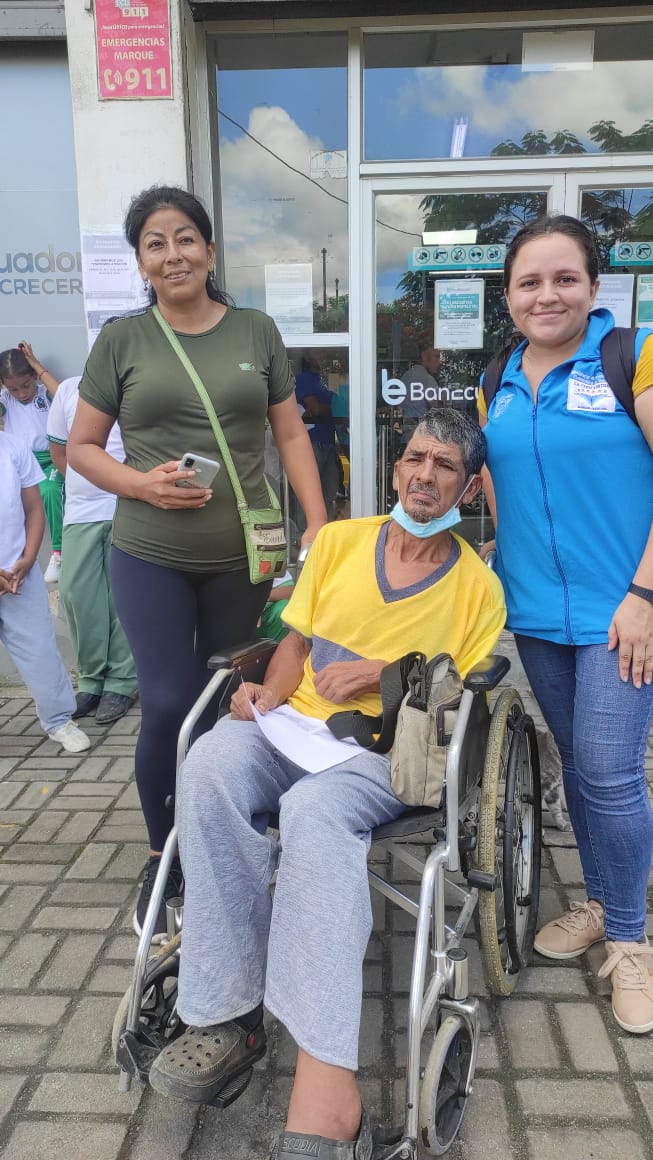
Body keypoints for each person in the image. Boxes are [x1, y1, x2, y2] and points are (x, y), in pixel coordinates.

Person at [147, 408, 506, 1158]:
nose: (425, 475)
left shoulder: (478, 589)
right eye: (415, 458)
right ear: (395, 467)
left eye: (445, 466)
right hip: (295, 727)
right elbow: (294, 642)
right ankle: (229, 1013)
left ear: (469, 487)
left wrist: (385, 674)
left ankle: (326, 1091)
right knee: (209, 764)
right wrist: (266, 696)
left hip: (385, 755)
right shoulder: (340, 542)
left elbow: (459, 701)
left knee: (312, 812)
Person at [67, 184, 326, 939]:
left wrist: (318, 521)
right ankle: (164, 853)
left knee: (226, 701)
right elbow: (80, 447)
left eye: (185, 238)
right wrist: (139, 483)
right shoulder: (122, 341)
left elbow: (289, 435)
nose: (172, 254)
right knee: (168, 700)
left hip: (240, 556)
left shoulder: (255, 330)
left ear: (209, 251)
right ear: (140, 261)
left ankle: (222, 828)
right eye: (155, 243)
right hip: (147, 552)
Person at [478, 214, 653, 1035]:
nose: (545, 295)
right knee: (580, 768)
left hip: (623, 611)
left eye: (563, 278)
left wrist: (644, 594)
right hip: (537, 615)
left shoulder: (632, 355)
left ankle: (630, 941)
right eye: (528, 282)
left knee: (612, 773)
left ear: (592, 285)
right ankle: (601, 901)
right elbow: (498, 482)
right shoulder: (497, 377)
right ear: (508, 295)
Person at [46, 376, 138, 725]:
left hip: (127, 506)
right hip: (80, 511)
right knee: (76, 593)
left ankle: (121, 682)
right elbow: (59, 452)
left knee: (123, 597)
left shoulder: (136, 386)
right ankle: (91, 680)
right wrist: (92, 479)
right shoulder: (68, 390)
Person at [0, 431, 90, 754]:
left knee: (40, 652)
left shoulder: (13, 446)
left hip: (18, 577)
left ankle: (59, 720)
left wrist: (27, 560)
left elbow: (34, 509)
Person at [0, 342, 64, 583]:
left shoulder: (44, 394)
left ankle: (58, 553)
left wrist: (37, 366)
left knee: (49, 491)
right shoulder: (6, 399)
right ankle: (17, 555)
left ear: (34, 377)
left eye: (26, 385)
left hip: (50, 458)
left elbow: (64, 396)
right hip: (21, 463)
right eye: (13, 389)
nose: (21, 393)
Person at [294, 353, 340, 523]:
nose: (323, 355)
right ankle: (303, 533)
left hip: (327, 442)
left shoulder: (319, 381)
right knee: (309, 492)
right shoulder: (304, 379)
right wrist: (339, 405)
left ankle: (325, 532)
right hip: (312, 442)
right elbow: (316, 409)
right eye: (318, 352)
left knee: (329, 491)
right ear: (307, 357)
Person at [400, 345, 443, 440]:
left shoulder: (407, 375)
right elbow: (435, 408)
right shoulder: (428, 379)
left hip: (408, 433)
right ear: (424, 356)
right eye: (436, 356)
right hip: (423, 434)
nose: (440, 362)